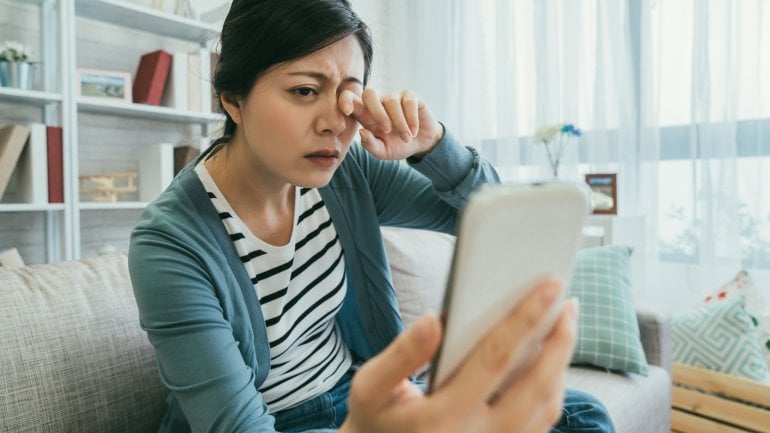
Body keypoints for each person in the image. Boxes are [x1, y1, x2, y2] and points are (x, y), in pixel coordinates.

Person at [128, 1, 617, 432]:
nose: (334, 123)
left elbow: (494, 217)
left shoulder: (345, 170)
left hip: (361, 390)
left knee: (583, 416)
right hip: (280, 421)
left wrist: (432, 146)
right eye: (303, 91)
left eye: (347, 92)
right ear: (233, 100)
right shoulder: (170, 242)